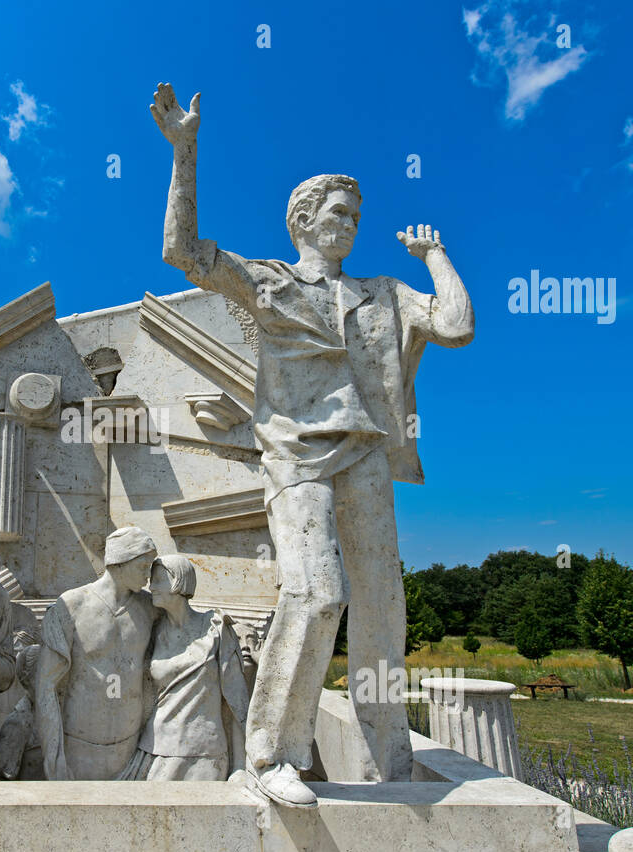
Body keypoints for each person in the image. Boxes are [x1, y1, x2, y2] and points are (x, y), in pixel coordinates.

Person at [151, 83, 475, 805]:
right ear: (303, 219)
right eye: (339, 213)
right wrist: (186, 152)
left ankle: (386, 747)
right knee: (318, 590)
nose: (352, 225)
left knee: (383, 603)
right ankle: (272, 752)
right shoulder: (269, 284)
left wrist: (436, 255)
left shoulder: (385, 292)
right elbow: (181, 250)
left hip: (363, 452)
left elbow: (455, 325)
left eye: (357, 215)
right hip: (296, 455)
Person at [35, 526, 158, 780]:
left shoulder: (151, 609)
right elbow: (46, 685)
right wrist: (53, 757)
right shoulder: (71, 606)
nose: (148, 576)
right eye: (143, 566)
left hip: (132, 750)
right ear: (119, 561)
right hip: (79, 748)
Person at [121, 555, 250, 781]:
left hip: (205, 751)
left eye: (159, 580)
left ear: (178, 581)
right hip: (156, 748)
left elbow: (236, 703)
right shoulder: (152, 631)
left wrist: (240, 766)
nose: (152, 587)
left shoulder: (216, 628)